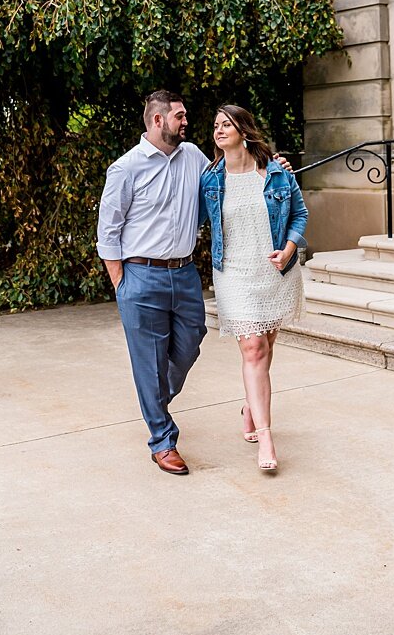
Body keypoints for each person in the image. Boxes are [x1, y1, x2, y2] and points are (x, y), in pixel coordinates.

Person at [96, 90, 210, 475]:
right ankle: (162, 439)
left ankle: (155, 400)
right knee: (148, 361)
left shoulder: (193, 156)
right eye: (179, 116)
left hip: (185, 272)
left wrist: (269, 168)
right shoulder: (125, 169)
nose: (186, 121)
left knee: (192, 340)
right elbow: (108, 233)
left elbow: (226, 184)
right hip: (141, 276)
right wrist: (122, 285)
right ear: (158, 120)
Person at [200, 104, 308, 474]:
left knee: (267, 345)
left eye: (226, 124)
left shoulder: (276, 172)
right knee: (253, 346)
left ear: (244, 130)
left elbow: (300, 215)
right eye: (215, 125)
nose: (218, 130)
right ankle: (265, 435)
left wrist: (290, 249)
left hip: (274, 271)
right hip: (233, 273)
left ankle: (251, 405)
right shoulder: (210, 179)